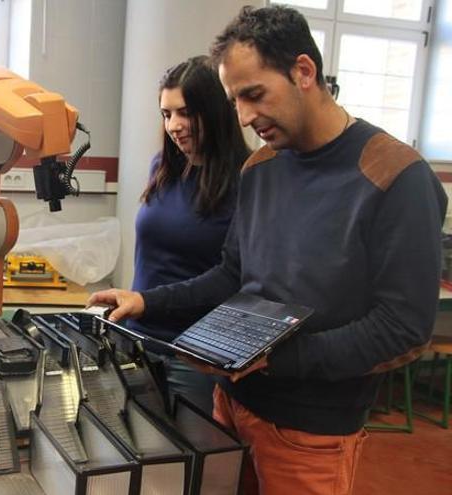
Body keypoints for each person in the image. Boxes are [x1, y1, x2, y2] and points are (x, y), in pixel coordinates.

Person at [89, 5, 447, 495]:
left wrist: (279, 360)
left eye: (254, 95)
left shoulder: (395, 176)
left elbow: (403, 329)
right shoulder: (260, 167)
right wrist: (149, 301)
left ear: (304, 71)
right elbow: (231, 276)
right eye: (235, 100)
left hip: (310, 431)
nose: (245, 117)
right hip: (230, 404)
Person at [129, 55, 250, 414]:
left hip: (196, 355)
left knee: (194, 461)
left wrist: (148, 301)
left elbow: (234, 278)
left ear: (215, 111)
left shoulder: (248, 179)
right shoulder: (162, 168)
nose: (174, 126)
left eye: (185, 113)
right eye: (166, 114)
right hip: (139, 339)